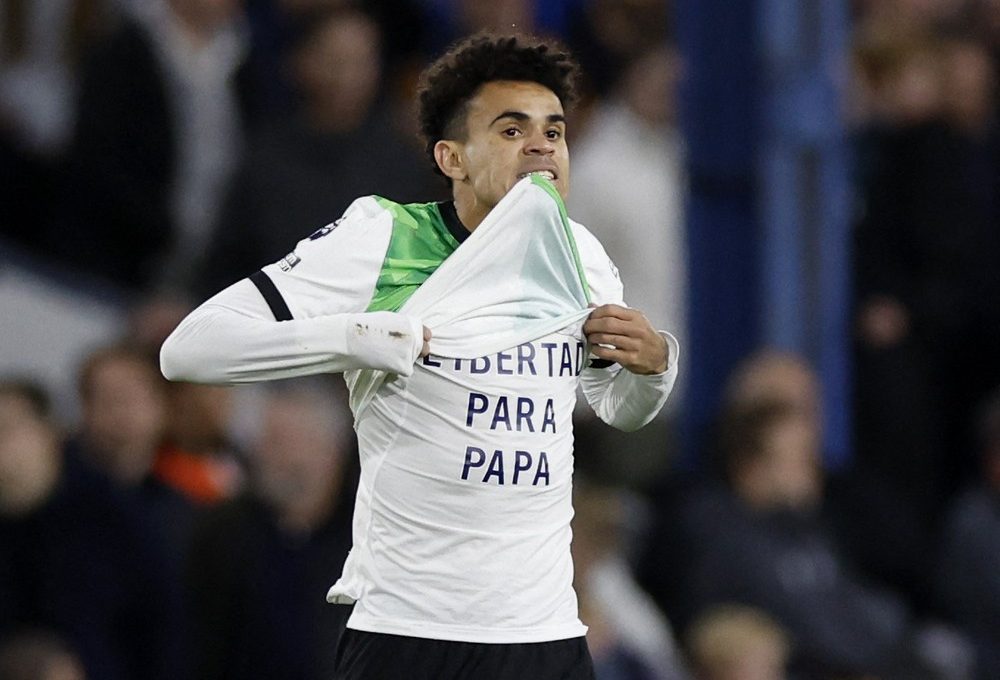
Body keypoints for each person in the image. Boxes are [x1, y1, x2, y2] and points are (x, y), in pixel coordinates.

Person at [161, 32, 679, 680]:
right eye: (512, 130)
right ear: (452, 156)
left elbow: (620, 409)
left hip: (543, 632)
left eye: (555, 130)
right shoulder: (384, 239)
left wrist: (654, 367)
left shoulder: (582, 258)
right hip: (411, 634)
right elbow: (189, 349)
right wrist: (354, 338)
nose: (543, 145)